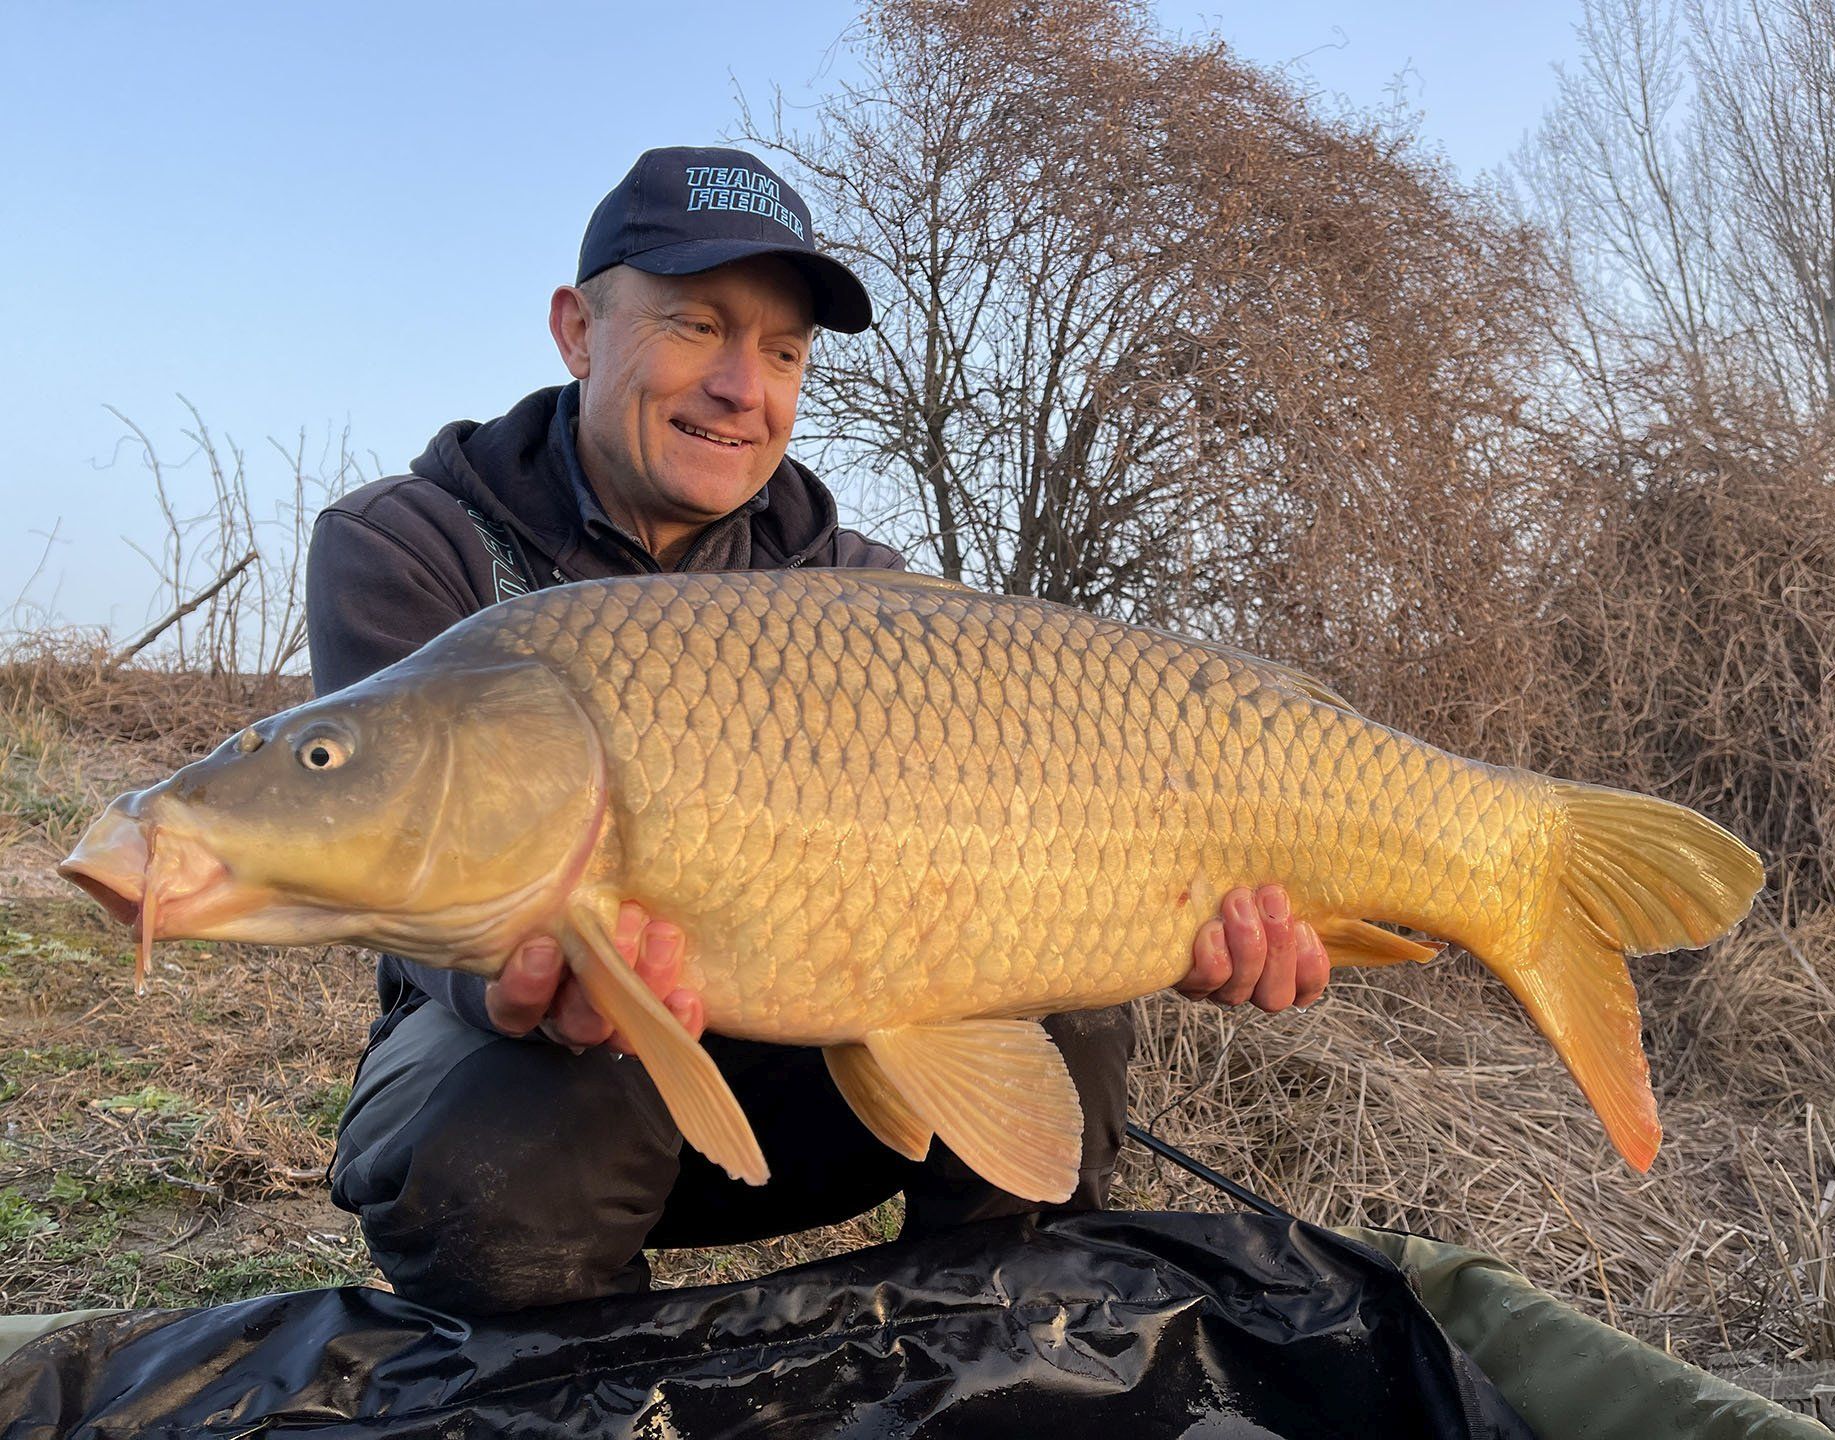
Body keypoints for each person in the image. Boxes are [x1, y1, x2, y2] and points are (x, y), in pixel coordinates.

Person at [307, 146, 1331, 1315]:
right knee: (514, 1128)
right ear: (578, 330)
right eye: (696, 325)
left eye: (783, 352)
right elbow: (388, 865)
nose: (744, 386)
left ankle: (976, 1366)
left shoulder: (857, 595)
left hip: (810, 1094)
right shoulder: (412, 542)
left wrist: (1176, 919)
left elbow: (1031, 855)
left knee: (1075, 1002)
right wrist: (515, 988)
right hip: (546, 1100)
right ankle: (591, 1388)